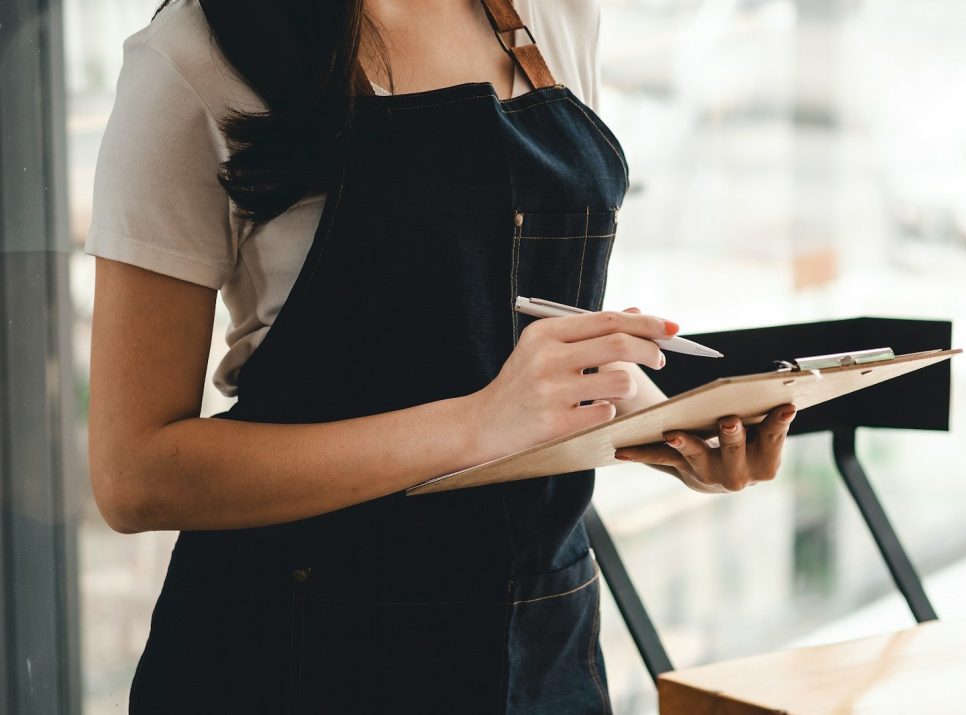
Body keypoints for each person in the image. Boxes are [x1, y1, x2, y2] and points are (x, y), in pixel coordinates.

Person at [84, 0, 797, 711]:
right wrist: (478, 424)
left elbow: (494, 335)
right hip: (300, 651)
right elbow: (135, 474)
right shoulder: (193, 59)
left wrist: (663, 421)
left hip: (540, 642)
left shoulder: (556, 16)